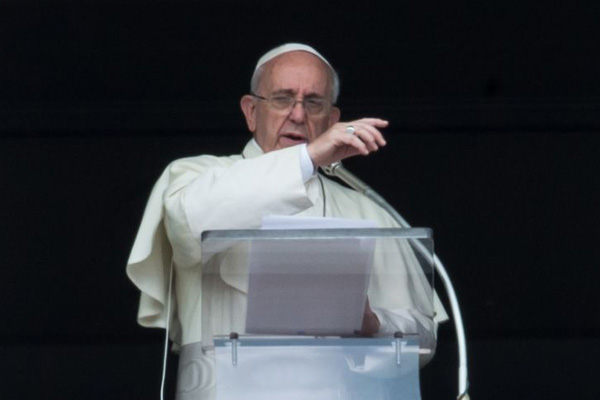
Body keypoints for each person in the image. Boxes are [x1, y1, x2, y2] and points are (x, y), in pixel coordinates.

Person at [126, 43, 447, 399]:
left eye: (314, 102)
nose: (298, 114)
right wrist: (307, 157)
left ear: (332, 119)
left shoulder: (368, 210)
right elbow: (192, 226)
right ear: (251, 112)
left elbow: (423, 337)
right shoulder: (194, 175)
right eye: (282, 99)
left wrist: (373, 325)